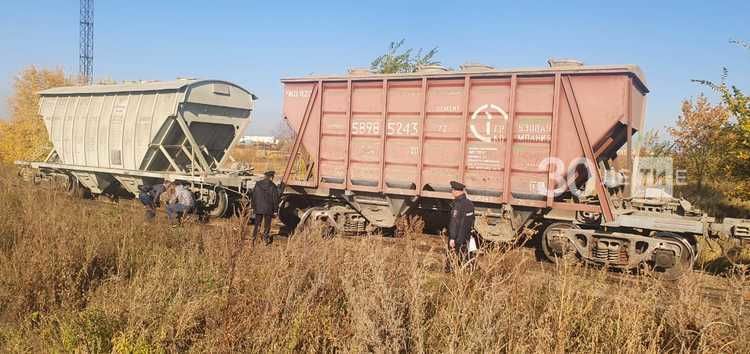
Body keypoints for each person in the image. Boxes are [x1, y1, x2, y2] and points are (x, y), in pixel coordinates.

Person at [446, 180, 475, 272]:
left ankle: (451, 274)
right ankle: (466, 272)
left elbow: (454, 222)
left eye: (453, 190)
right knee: (466, 257)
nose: (452, 192)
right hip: (467, 236)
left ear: (456, 191)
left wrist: (452, 238)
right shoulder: (469, 203)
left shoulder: (458, 205)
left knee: (453, 258)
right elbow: (472, 220)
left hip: (458, 238)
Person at [251, 171, 280, 245]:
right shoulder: (273, 186)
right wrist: (276, 210)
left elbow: (253, 196)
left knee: (257, 224)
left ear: (265, 176)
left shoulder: (257, 184)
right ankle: (265, 239)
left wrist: (253, 207)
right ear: (271, 177)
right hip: (268, 209)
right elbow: (275, 199)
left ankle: (254, 239)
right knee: (267, 225)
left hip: (258, 208)